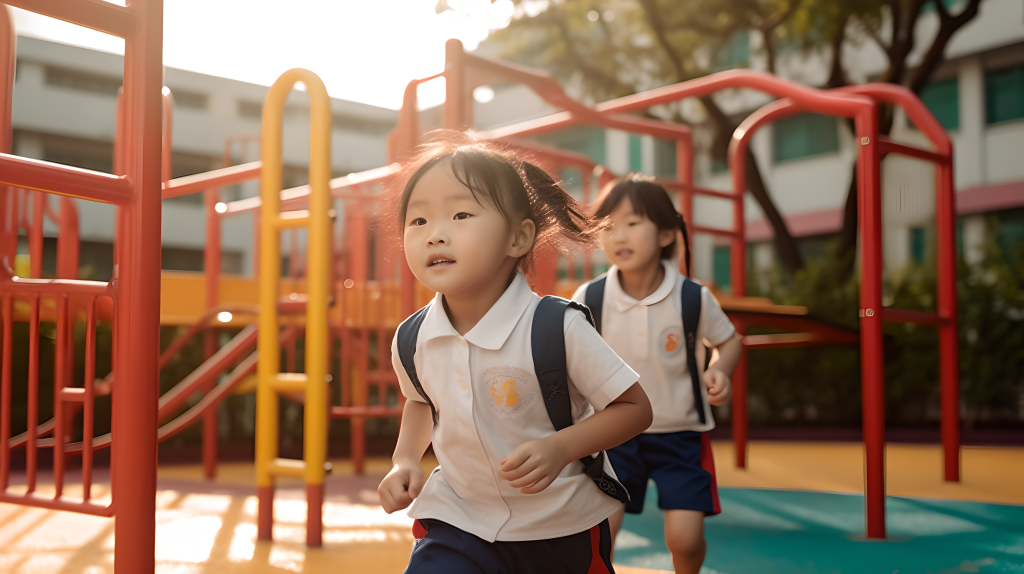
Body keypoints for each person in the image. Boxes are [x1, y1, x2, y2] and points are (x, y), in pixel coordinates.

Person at [377, 131, 654, 574]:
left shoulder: (555, 327)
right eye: (418, 221)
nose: (435, 236)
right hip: (458, 519)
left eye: (461, 214)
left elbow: (634, 409)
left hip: (558, 527)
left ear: (518, 238)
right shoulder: (412, 337)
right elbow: (420, 400)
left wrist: (560, 448)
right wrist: (405, 459)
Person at [571, 174, 741, 574]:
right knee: (600, 536)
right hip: (613, 435)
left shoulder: (691, 297)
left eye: (633, 223)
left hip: (679, 437)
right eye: (609, 226)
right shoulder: (589, 298)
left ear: (666, 234)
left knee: (685, 539)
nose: (619, 235)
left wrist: (720, 370)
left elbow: (729, 341)